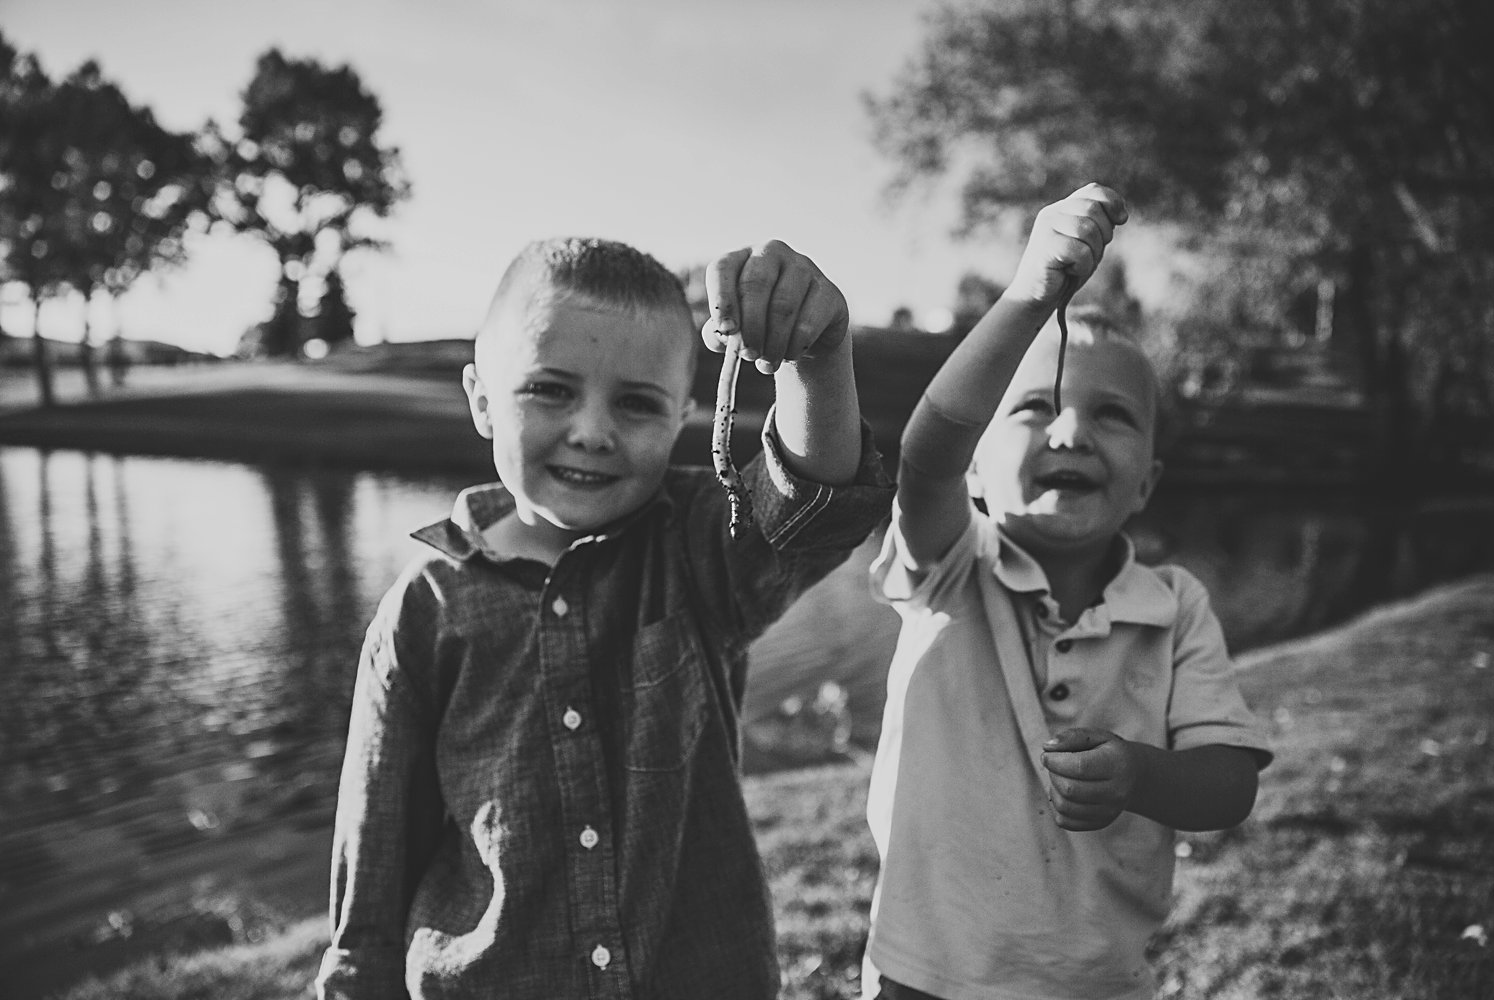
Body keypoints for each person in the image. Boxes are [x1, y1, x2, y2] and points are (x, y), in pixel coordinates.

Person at [315, 236, 893, 999]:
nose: (592, 430)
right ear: (482, 399)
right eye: (551, 390)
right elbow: (377, 858)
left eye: (636, 402)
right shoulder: (424, 610)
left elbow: (816, 508)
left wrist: (817, 356)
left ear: (684, 413)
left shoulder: (696, 545)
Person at [861, 184, 1273, 1000]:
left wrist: (1139, 776)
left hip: (1094, 980)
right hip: (921, 973)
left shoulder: (1176, 605)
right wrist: (1030, 294)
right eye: (1035, 407)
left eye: (1112, 414)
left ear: (1147, 484)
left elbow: (1229, 783)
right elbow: (927, 450)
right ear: (977, 470)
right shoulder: (949, 565)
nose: (1072, 431)